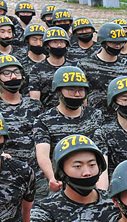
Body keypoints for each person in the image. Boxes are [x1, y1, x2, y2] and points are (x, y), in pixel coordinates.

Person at [33, 65, 104, 194]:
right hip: (60, 178)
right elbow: (42, 154)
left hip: (89, 176)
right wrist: (52, 177)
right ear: (59, 91)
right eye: (71, 90)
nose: (77, 94)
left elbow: (102, 150)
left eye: (81, 90)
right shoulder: (44, 120)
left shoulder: (95, 115)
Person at [0, 54, 43, 192]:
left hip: (38, 174)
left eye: (16, 72)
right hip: (9, 176)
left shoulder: (35, 105)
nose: (13, 77)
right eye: (6, 73)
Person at [78, 22, 127, 123]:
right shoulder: (86, 65)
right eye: (113, 43)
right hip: (94, 119)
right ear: (103, 42)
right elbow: (82, 95)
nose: (118, 46)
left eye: (120, 43)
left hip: (121, 120)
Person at [27, 26, 69, 108]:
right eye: (55, 42)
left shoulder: (75, 67)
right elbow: (34, 100)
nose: (59, 45)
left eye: (62, 42)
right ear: (47, 45)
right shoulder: (36, 69)